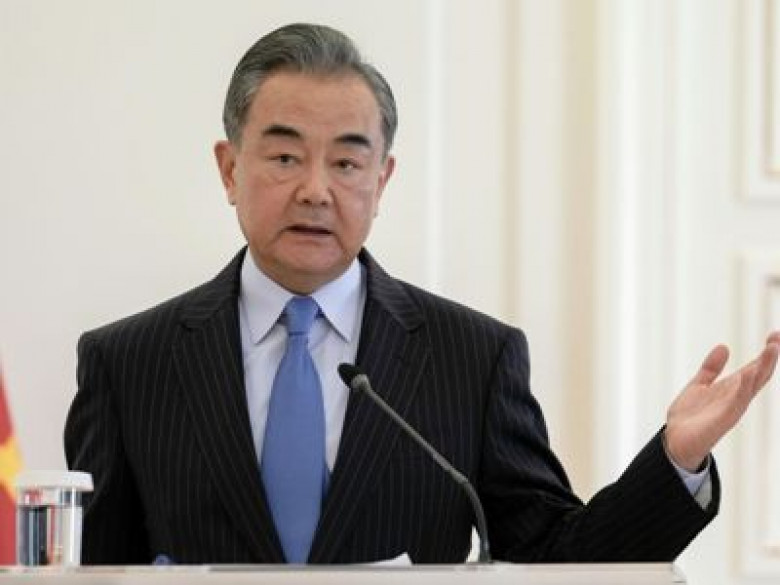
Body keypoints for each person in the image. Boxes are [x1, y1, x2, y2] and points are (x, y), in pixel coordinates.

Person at [64, 23, 780, 565]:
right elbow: (89, 574)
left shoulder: (472, 358)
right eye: (284, 156)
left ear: (382, 180)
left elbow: (558, 560)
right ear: (229, 169)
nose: (315, 189)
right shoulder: (128, 363)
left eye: (348, 163)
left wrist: (676, 460)